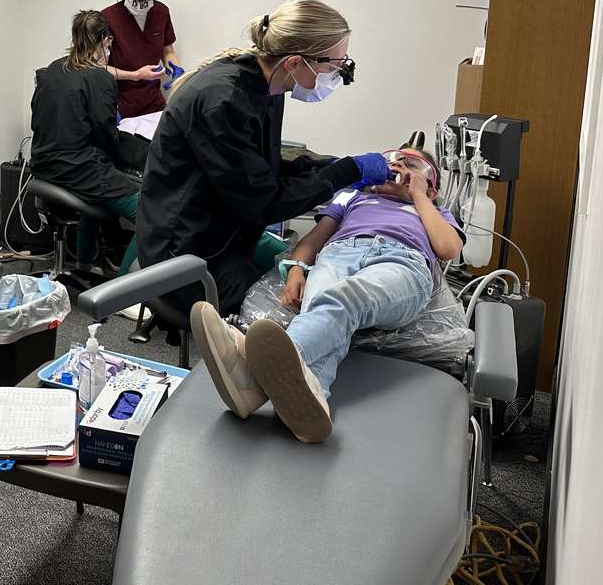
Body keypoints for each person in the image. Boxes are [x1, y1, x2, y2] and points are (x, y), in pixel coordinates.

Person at [136, 0, 393, 319]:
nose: (337, 74)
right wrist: (344, 173)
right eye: (334, 65)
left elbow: (260, 167)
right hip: (186, 257)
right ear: (295, 62)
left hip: (224, 234)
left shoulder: (267, 86)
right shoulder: (224, 101)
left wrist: (325, 166)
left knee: (303, 272)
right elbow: (263, 202)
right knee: (295, 312)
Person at [189, 146, 464, 443]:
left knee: (343, 298)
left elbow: (448, 248)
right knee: (320, 310)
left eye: (410, 163)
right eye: (393, 159)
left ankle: (250, 376)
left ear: (432, 187)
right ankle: (310, 402)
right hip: (338, 255)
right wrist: (296, 269)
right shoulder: (354, 198)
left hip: (400, 261)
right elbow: (314, 240)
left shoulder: (435, 210)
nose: (397, 164)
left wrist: (419, 196)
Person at [30, 10, 140, 275]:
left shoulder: (52, 69)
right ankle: (124, 288)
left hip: (43, 164)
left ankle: (84, 265)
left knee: (101, 191)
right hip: (76, 169)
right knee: (149, 212)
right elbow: (105, 133)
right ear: (104, 41)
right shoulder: (100, 77)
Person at [101, 0, 183, 171]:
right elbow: (97, 67)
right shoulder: (108, 18)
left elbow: (168, 50)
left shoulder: (162, 13)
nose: (140, 5)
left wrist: (175, 71)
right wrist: (135, 75)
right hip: (120, 106)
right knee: (131, 163)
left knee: (165, 157)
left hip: (153, 103)